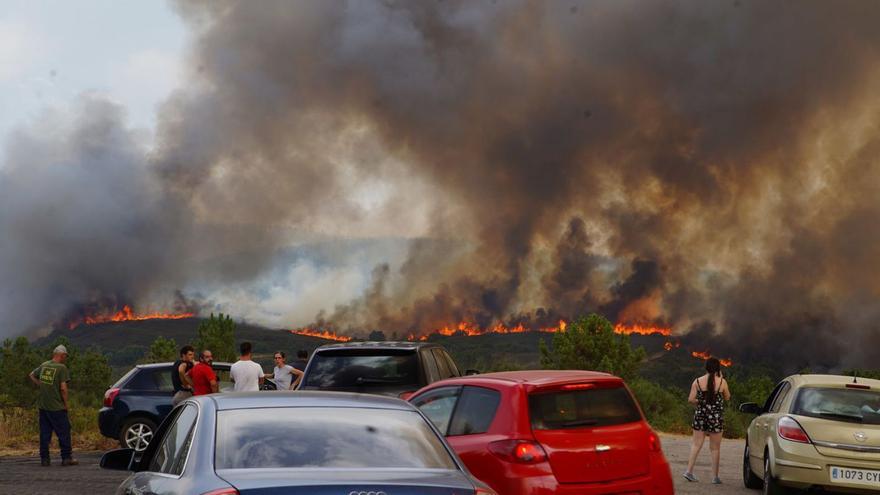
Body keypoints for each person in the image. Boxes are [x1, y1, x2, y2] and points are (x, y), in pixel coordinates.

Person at [28, 345, 78, 466]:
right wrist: (66, 404)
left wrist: (41, 384)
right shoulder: (61, 368)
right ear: (61, 355)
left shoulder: (44, 365)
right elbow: (63, 389)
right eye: (65, 356)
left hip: (43, 406)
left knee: (45, 433)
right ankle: (66, 458)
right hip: (57, 407)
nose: (65, 358)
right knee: (64, 432)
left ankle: (44, 459)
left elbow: (31, 375)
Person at [683, 357, 731, 484]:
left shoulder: (697, 381)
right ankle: (715, 477)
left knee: (696, 444)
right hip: (715, 417)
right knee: (715, 448)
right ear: (718, 369)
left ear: (706, 368)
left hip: (700, 416)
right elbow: (727, 397)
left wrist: (701, 402)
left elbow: (690, 399)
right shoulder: (722, 382)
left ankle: (689, 471)